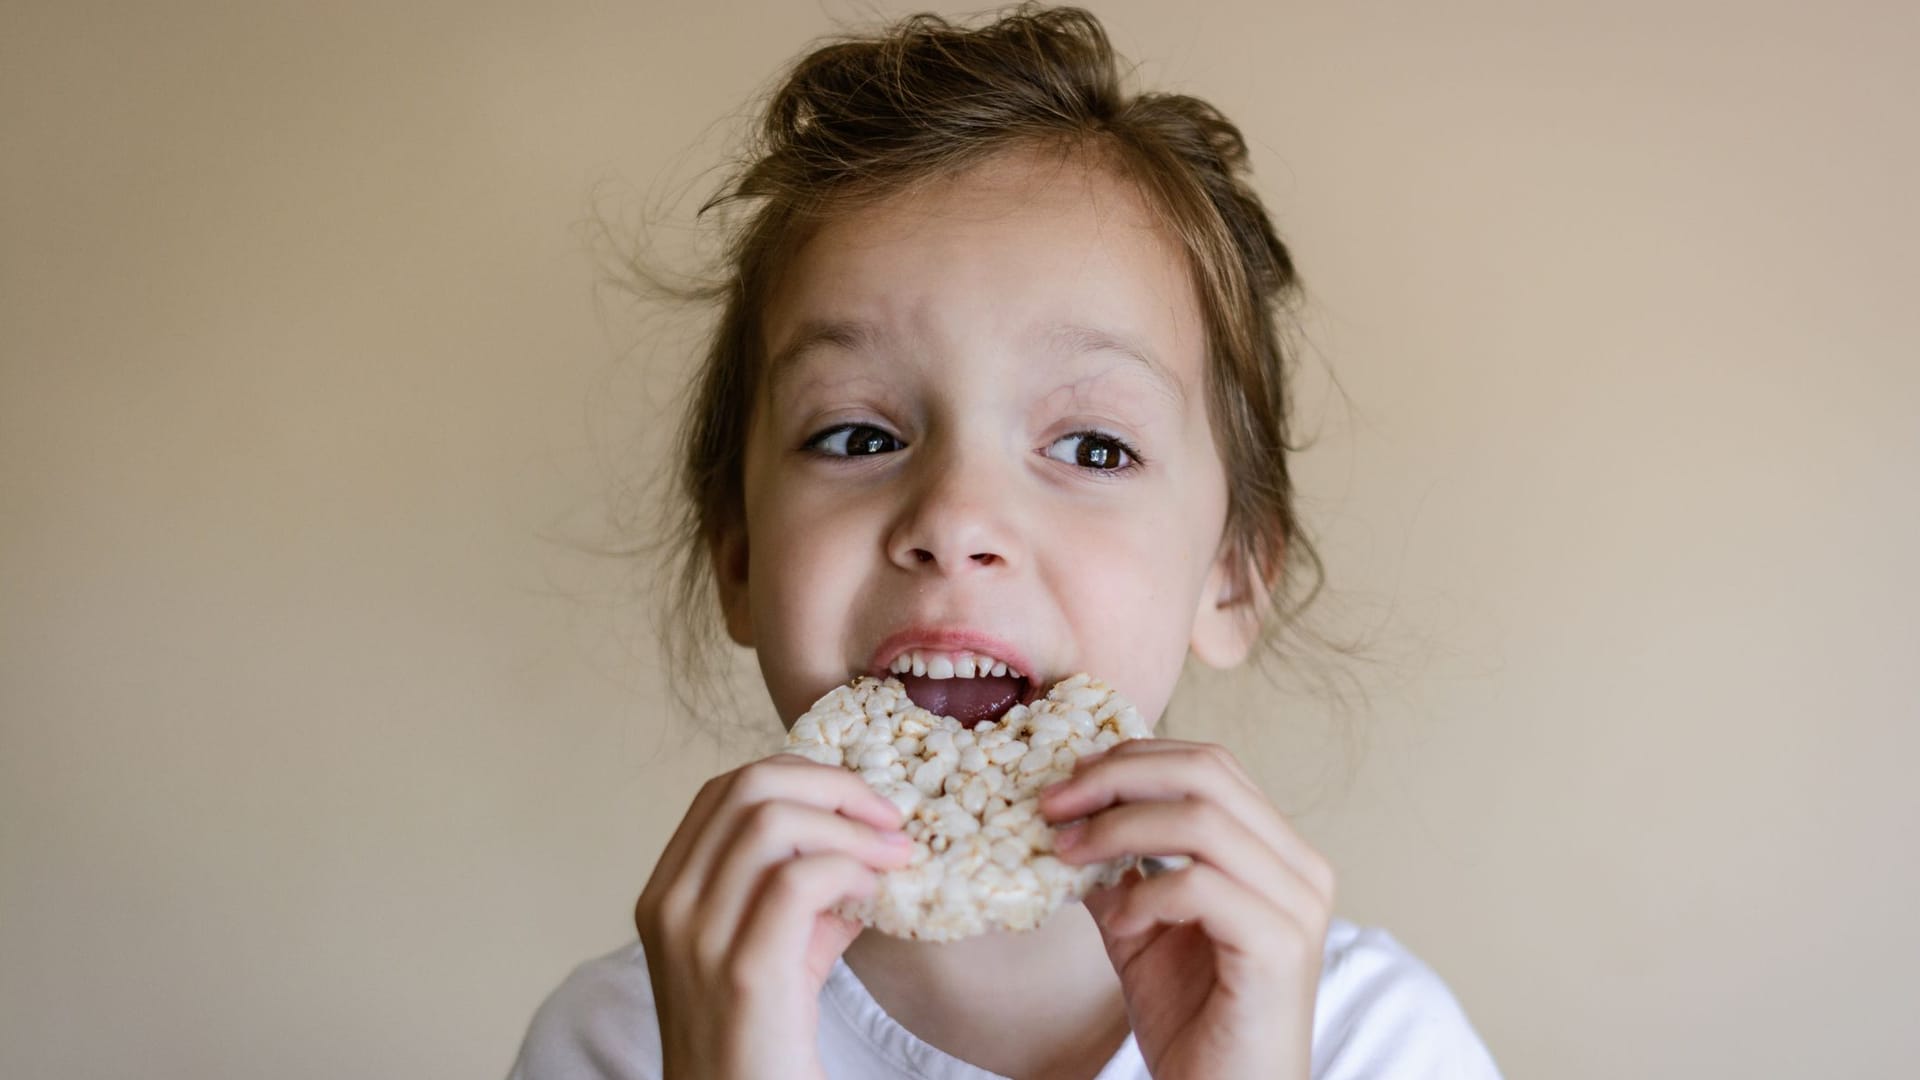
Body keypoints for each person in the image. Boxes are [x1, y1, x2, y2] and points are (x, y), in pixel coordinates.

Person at [510, 5, 1502, 1078]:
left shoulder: (1363, 1038)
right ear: (740, 557)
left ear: (1232, 572)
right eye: (857, 433)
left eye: (1092, 448)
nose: (956, 520)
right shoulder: (630, 1039)